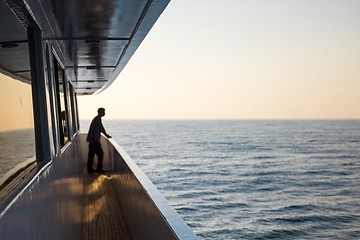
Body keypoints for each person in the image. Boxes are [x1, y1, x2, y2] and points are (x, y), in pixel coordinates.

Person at [87, 108, 111, 173]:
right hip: (95, 140)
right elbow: (101, 128)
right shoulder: (97, 120)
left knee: (91, 155)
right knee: (100, 154)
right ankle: (99, 169)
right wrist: (106, 135)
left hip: (92, 140)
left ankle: (90, 169)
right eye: (103, 112)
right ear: (100, 112)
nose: (104, 113)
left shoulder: (96, 119)